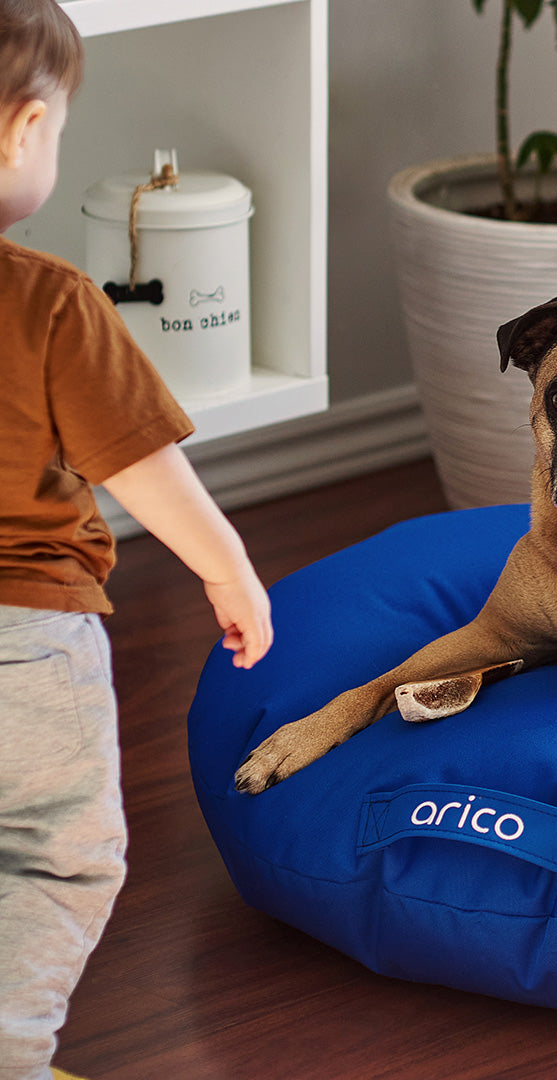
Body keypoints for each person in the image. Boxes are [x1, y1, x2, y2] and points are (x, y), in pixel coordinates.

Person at [0, 3, 274, 1077]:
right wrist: (229, 569)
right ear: (22, 130)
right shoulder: (52, 305)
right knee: (53, 857)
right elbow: (140, 469)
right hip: (25, 640)